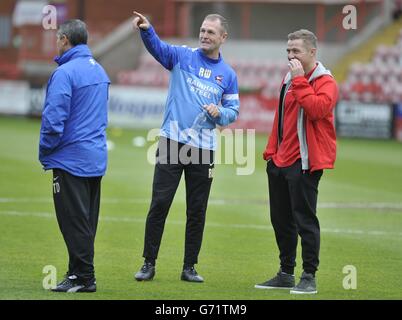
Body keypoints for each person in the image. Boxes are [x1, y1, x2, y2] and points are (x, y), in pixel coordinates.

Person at [132, 11, 239, 282]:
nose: (204, 35)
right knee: (160, 204)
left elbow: (233, 111)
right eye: (202, 30)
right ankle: (148, 263)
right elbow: (158, 48)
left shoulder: (227, 75)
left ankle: (189, 267)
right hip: (172, 142)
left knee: (197, 210)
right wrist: (147, 29)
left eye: (210, 32)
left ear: (223, 37)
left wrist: (221, 113)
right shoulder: (181, 56)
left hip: (204, 149)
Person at [255, 29, 338, 294]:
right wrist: (272, 153)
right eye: (288, 51)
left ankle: (309, 276)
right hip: (280, 160)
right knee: (280, 219)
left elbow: (316, 110)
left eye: (296, 51)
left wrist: (300, 80)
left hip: (304, 162)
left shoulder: (325, 81)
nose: (290, 56)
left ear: (312, 52)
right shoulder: (289, 78)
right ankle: (285, 273)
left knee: (305, 220)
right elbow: (281, 118)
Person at [39, 19, 110, 293]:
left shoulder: (65, 73)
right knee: (85, 221)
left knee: (73, 221)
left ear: (65, 40)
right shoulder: (100, 71)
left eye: (58, 38)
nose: (57, 42)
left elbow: (54, 118)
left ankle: (85, 277)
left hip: (70, 158)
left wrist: (46, 151)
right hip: (94, 158)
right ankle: (75, 273)